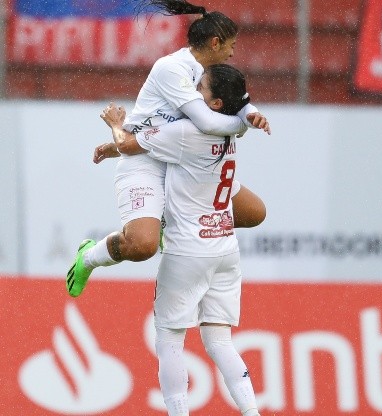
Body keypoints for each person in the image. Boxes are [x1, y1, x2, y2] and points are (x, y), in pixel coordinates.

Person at [66, 0, 270, 297]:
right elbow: (206, 121)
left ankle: (171, 220)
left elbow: (235, 99)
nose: (233, 52)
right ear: (215, 43)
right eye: (231, 45)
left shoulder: (210, 72)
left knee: (254, 213)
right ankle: (88, 256)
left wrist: (249, 114)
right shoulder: (171, 69)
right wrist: (242, 125)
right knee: (141, 246)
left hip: (183, 161)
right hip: (145, 159)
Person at [99, 64, 261, 416]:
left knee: (170, 340)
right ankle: (252, 412)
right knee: (219, 342)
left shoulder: (187, 131)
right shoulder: (234, 128)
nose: (192, 95)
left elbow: (129, 144)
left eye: (200, 89)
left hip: (189, 250)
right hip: (225, 248)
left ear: (216, 103)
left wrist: (114, 123)